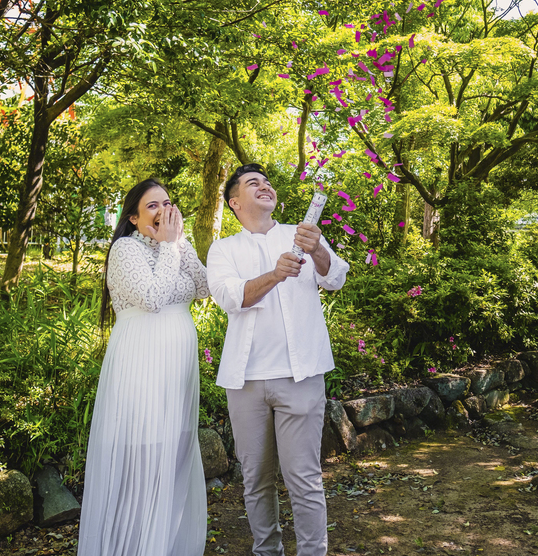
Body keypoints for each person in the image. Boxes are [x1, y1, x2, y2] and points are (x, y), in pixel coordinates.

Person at [207, 163, 349, 556]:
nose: (264, 186)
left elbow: (335, 278)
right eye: (253, 183)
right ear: (235, 202)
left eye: (267, 182)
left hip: (301, 376)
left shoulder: (301, 234)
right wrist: (274, 274)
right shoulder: (223, 249)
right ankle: (266, 551)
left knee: (304, 477)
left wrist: (317, 249)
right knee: (255, 479)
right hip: (245, 381)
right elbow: (230, 297)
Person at [77, 178, 211, 556]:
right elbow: (152, 298)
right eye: (153, 206)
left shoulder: (175, 245)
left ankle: (165, 544)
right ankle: (132, 546)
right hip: (141, 364)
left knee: (175, 452)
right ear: (134, 218)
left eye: (167, 203)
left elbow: (205, 288)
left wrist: (179, 244)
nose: (163, 211)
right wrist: (169, 245)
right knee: (144, 454)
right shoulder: (125, 249)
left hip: (178, 370)